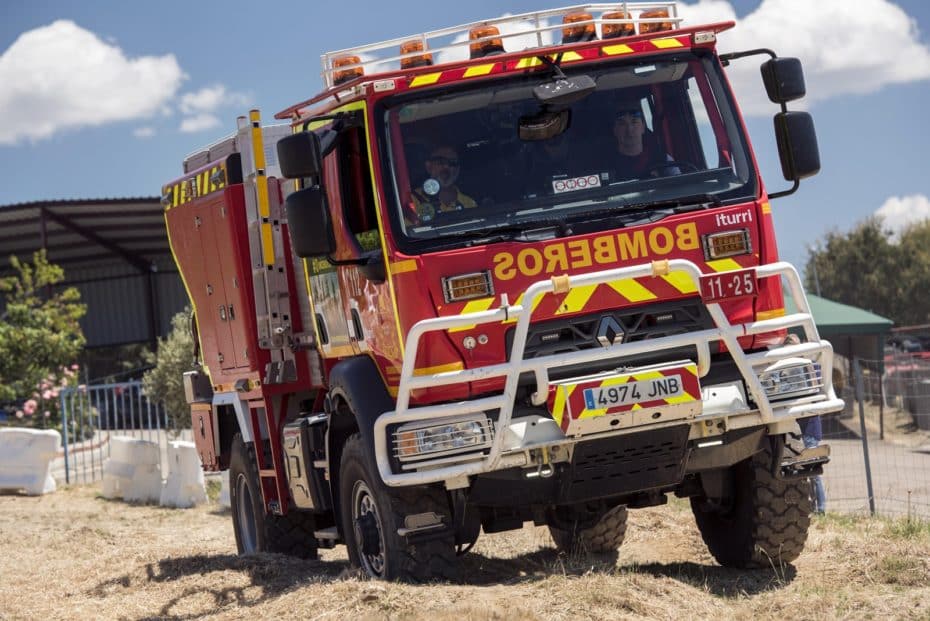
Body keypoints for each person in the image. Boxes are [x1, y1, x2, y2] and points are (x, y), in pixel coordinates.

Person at [611, 98, 679, 180]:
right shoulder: (605, 165)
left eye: (634, 122)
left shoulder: (664, 161)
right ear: (615, 130)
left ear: (643, 127)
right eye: (622, 124)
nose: (629, 129)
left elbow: (681, 188)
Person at [411, 145, 476, 222]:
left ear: (457, 170)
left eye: (452, 163)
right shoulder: (413, 200)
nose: (446, 166)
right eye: (440, 162)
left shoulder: (469, 203)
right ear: (429, 167)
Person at [802, 415, 827, 514]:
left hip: (809, 434)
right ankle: (816, 508)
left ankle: (820, 508)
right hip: (811, 433)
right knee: (812, 475)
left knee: (814, 475)